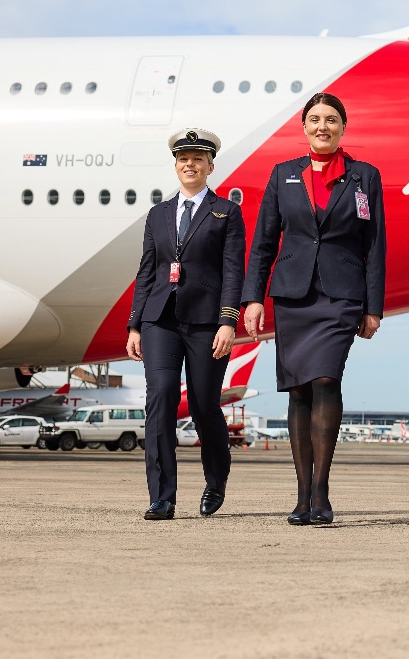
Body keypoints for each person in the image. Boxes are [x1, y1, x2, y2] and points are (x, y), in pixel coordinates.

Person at [242, 93, 385, 526]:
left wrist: (372, 307)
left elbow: (374, 245)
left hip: (341, 295)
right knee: (299, 390)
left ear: (344, 126)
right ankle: (302, 494)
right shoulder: (283, 175)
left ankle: (321, 491)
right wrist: (252, 299)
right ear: (304, 127)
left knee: (325, 377)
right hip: (293, 295)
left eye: (332, 120)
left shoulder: (365, 176)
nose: (323, 126)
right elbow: (264, 243)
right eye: (315, 120)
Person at [126, 128, 245, 521]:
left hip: (207, 322)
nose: (189, 164)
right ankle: (162, 496)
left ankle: (216, 478)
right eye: (183, 159)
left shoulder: (226, 212)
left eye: (197, 159)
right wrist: (134, 325)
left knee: (202, 405)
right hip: (160, 319)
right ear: (175, 165)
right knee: (159, 398)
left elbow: (233, 272)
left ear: (210, 166)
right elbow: (147, 272)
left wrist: (229, 322)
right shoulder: (158, 215)